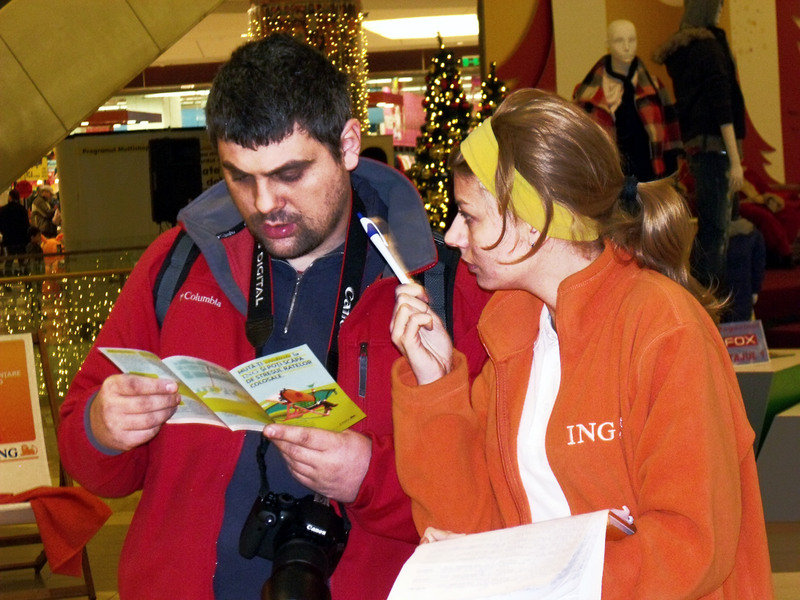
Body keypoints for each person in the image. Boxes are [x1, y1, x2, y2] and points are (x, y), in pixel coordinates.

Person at [57, 34, 488, 600]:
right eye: (241, 177)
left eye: (289, 174)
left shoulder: (442, 283)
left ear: (348, 144)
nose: (264, 204)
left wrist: (371, 476)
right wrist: (103, 427)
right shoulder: (177, 264)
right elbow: (89, 459)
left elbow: (495, 489)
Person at [390, 89, 773, 599]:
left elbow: (689, 545)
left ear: (534, 220)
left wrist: (528, 577)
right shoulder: (514, 333)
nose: (454, 237)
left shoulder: (662, 328)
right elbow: (468, 524)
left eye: (470, 216)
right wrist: (435, 384)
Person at [654, 0, 746, 290]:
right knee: (716, 232)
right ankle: (709, 303)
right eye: (716, 6)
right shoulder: (708, 49)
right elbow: (722, 105)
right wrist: (735, 159)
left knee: (710, 229)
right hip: (715, 148)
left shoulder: (685, 51)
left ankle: (702, 298)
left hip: (698, 146)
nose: (720, 12)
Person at [573, 19, 682, 182]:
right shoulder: (588, 93)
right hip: (611, 179)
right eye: (619, 40)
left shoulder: (654, 86)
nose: (626, 47)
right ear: (608, 44)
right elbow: (583, 142)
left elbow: (670, 135)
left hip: (650, 176)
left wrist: (669, 176)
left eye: (632, 40)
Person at [0, 189, 30, 275]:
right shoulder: (22, 209)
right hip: (21, 239)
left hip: (9, 239)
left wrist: (4, 232)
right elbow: (26, 225)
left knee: (9, 260)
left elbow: (1, 225)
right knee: (22, 261)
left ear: (10, 197)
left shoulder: (4, 210)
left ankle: (8, 278)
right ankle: (25, 277)